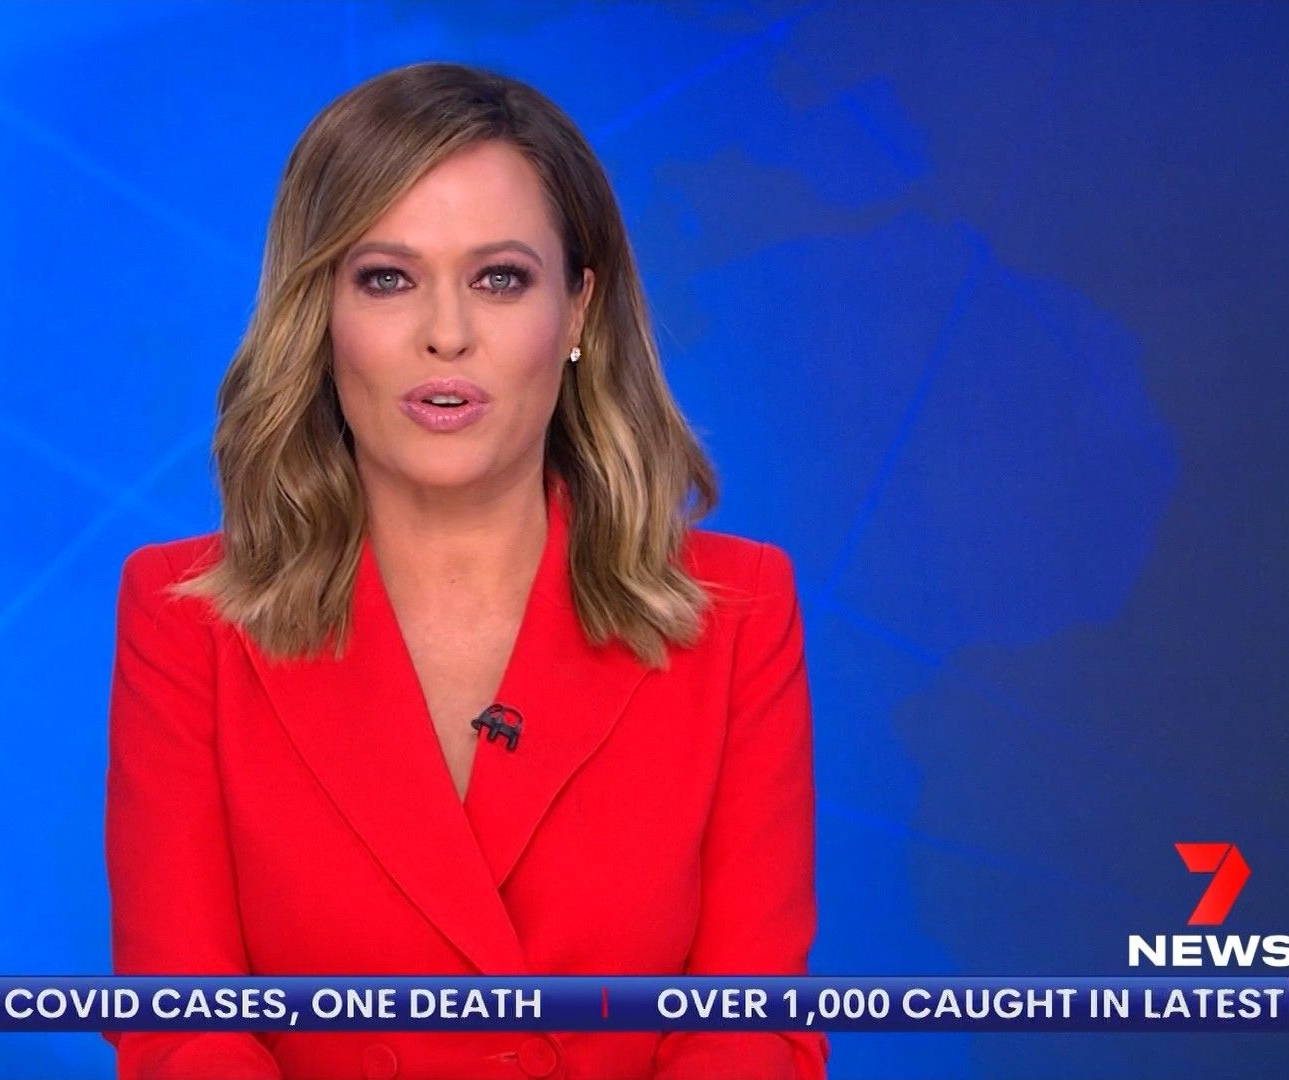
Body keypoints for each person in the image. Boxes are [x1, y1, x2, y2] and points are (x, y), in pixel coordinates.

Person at [105, 60, 826, 1080]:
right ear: (319, 312)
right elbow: (184, 1027)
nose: (446, 334)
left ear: (578, 311)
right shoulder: (185, 621)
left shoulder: (739, 613)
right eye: (387, 278)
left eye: (500, 279)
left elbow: (751, 1026)